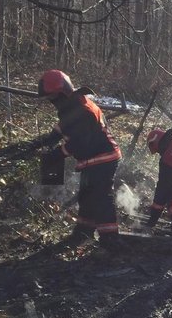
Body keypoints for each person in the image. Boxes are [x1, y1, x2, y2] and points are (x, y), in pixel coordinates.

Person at [38, 70, 122, 248]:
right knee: (86, 196)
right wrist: (51, 138)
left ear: (62, 93)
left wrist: (57, 154)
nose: (51, 101)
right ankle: (83, 233)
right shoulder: (73, 105)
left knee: (101, 197)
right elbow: (66, 124)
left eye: (52, 97)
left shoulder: (83, 109)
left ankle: (110, 239)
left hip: (103, 157)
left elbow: (79, 142)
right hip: (92, 158)